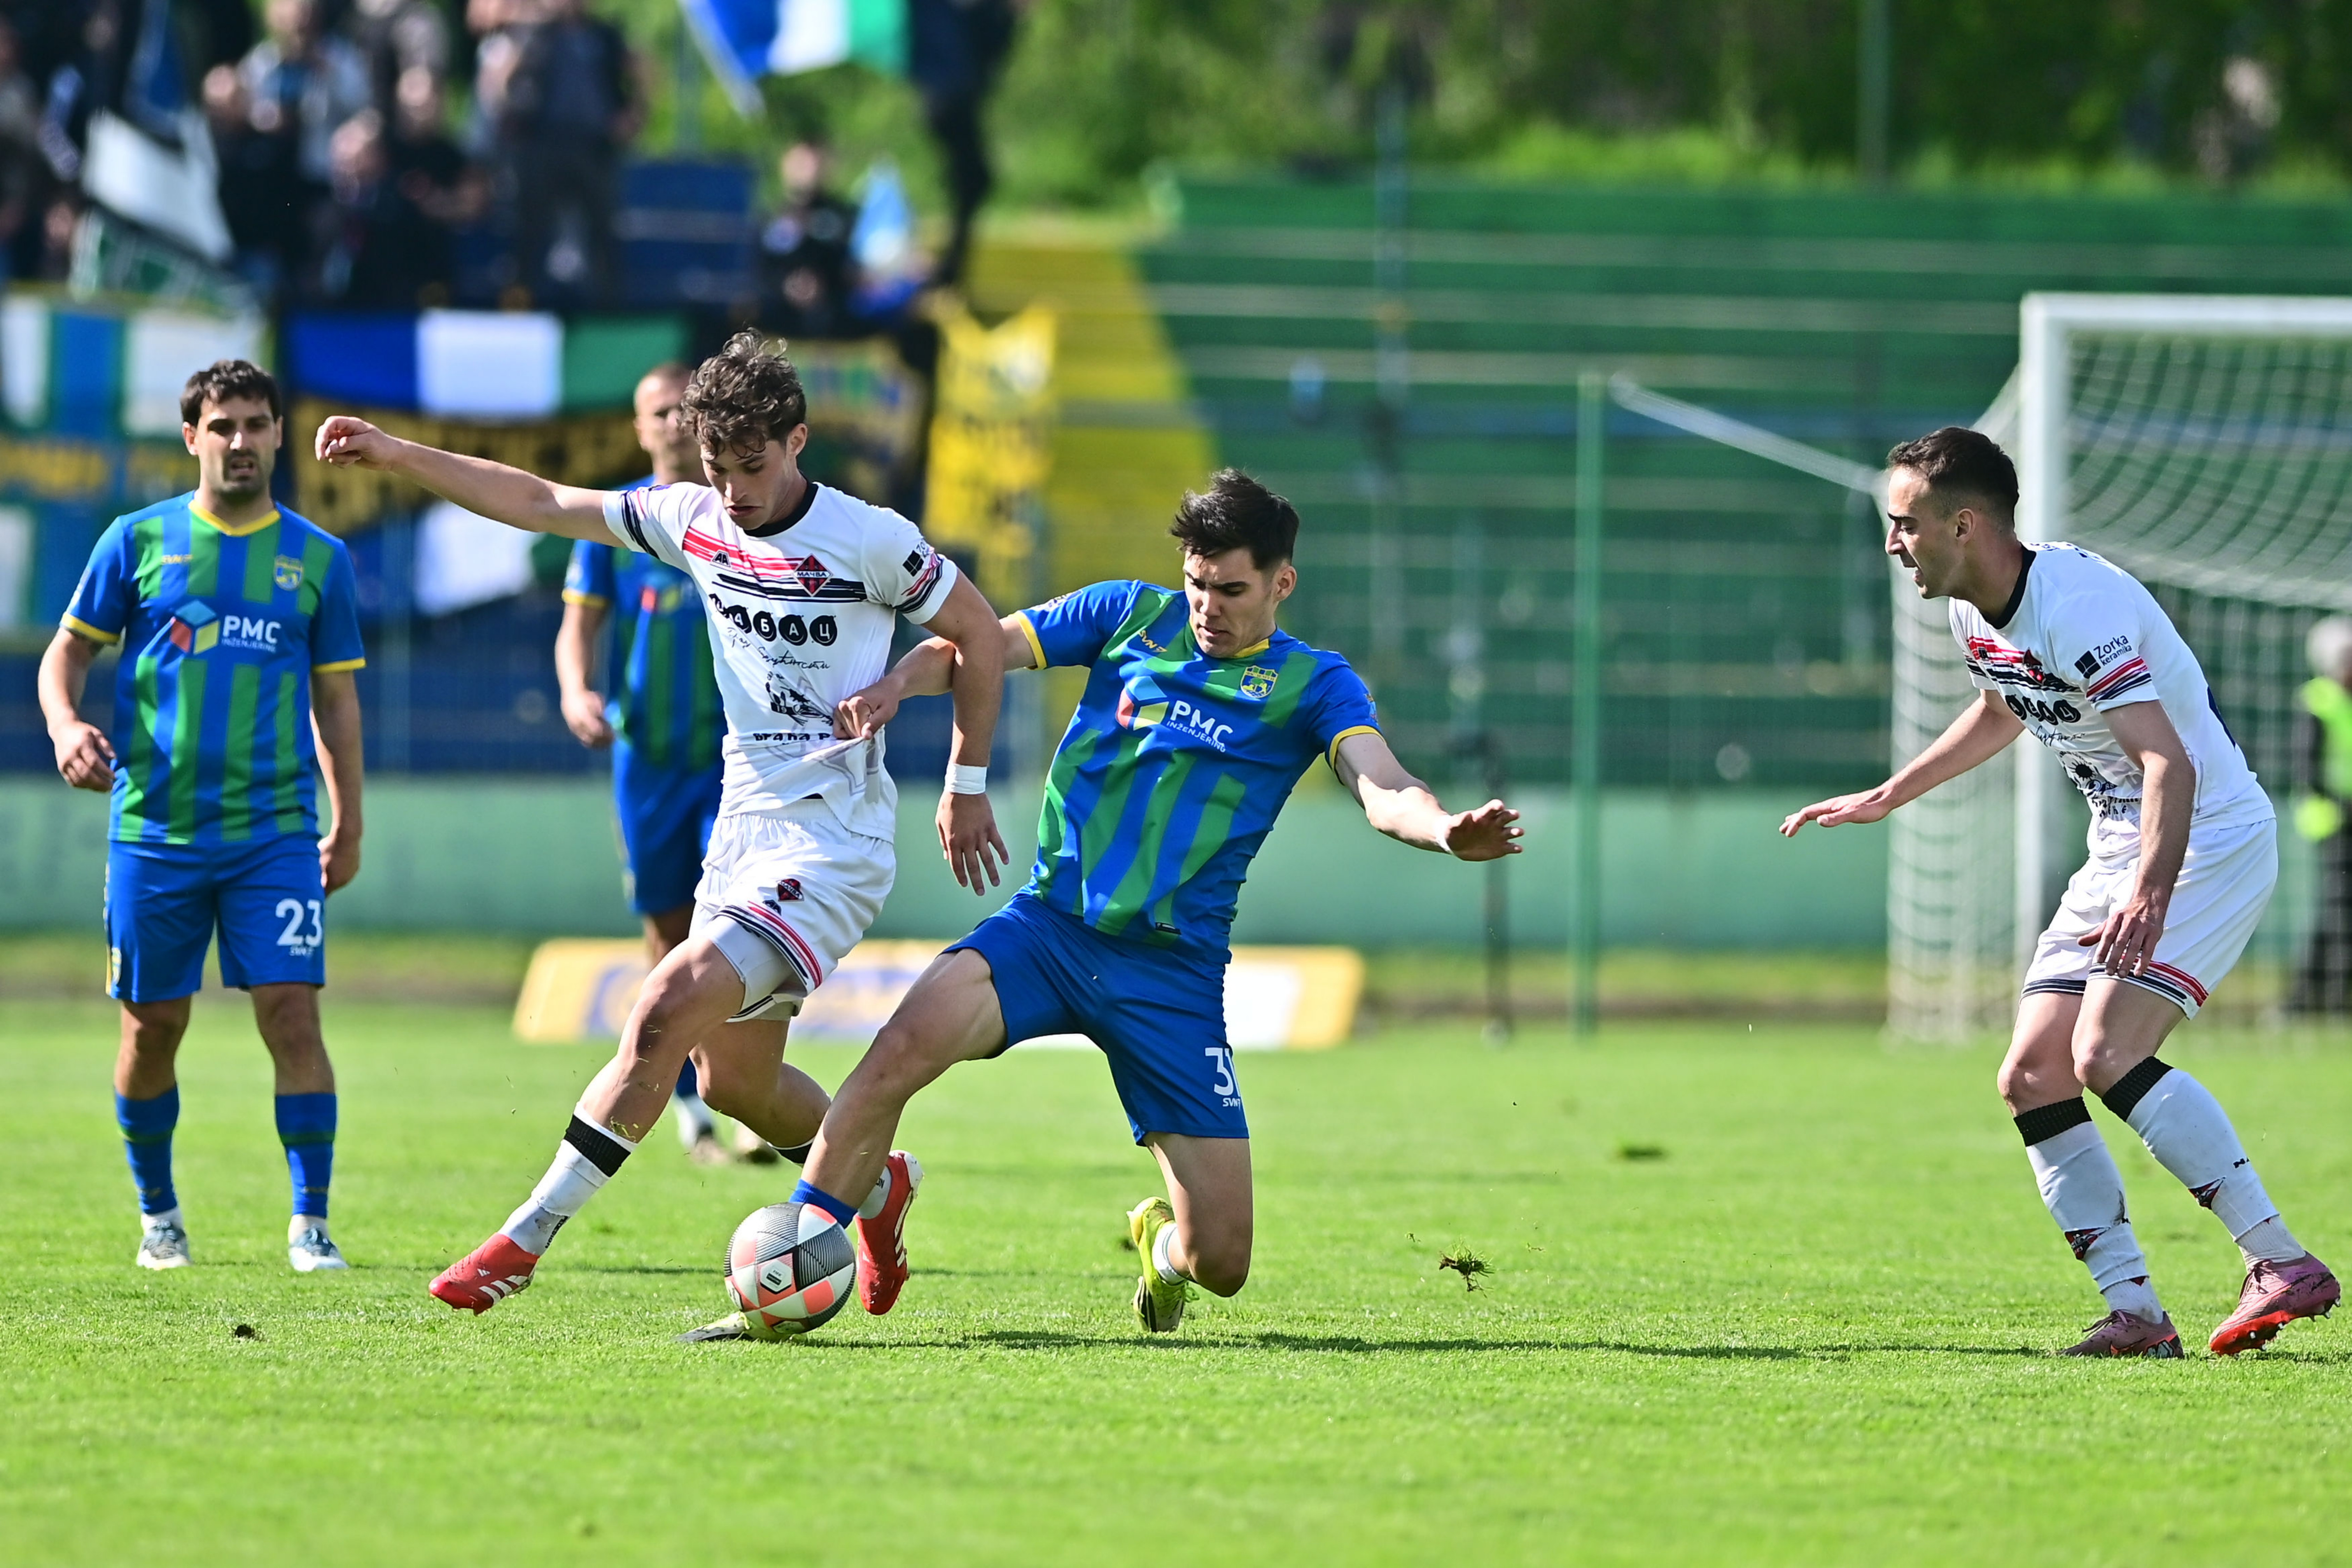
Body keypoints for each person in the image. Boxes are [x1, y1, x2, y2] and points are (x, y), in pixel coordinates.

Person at [312, 331, 1008, 1316]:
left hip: (833, 843)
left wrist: (964, 780)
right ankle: (882, 1182)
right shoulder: (692, 518)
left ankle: (523, 1240)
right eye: (719, 470)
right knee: (735, 1087)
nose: (734, 493)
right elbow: (543, 502)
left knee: (662, 1003)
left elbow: (976, 633)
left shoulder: (870, 538)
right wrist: (397, 454)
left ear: (799, 440)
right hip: (745, 833)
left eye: (754, 468)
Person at [783, 469, 1523, 1334]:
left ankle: (1161, 1249)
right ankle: (796, 1255)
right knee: (893, 1057)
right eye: (1197, 583)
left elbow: (1382, 785)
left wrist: (1442, 830)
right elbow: (975, 642)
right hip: (1049, 931)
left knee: (1224, 1265)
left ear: (1283, 583)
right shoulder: (1127, 616)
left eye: (1233, 589)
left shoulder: (1313, 685)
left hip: (1170, 975)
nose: (1209, 606)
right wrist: (896, 687)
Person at [1783, 426, 2335, 1358]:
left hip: (2203, 837)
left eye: (1904, 523)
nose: (1892, 543)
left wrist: (2151, 895)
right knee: (2031, 1075)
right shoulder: (1971, 609)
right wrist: (1890, 794)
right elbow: (2003, 705)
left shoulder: (2074, 604)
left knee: (2104, 1052)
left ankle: (2281, 1261)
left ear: (1963, 525)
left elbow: (2168, 763)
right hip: (2122, 841)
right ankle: (2138, 1315)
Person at [38, 359, 367, 1275]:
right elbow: (63, 659)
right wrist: (67, 725)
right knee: (152, 1029)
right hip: (156, 834)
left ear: (275, 435)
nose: (240, 442)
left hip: (274, 835)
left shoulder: (318, 560)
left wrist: (350, 820)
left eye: (256, 425)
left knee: (293, 1015)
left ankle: (311, 1223)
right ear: (192, 438)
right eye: (221, 426)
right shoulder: (135, 542)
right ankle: (159, 1216)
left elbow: (336, 707)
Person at [557, 362, 770, 1167]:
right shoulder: (622, 523)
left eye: (685, 412)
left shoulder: (742, 516)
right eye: (658, 413)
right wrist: (578, 689)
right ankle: (691, 1109)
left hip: (731, 762)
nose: (674, 425)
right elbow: (579, 627)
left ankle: (743, 1091)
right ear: (639, 427)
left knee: (734, 926)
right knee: (665, 928)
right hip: (645, 762)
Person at [2289, 616, 2352, 1014]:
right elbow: (2307, 768)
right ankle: (2314, 998)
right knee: (2339, 910)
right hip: (2334, 822)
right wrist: (2340, 806)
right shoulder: (2318, 699)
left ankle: (2320, 998)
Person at [756, 139, 859, 339]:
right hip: (777, 314)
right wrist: (786, 285)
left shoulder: (842, 216)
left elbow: (851, 264)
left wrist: (823, 285)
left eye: (813, 164)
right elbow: (759, 267)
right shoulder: (770, 218)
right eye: (801, 164)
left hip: (834, 313)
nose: (808, 172)